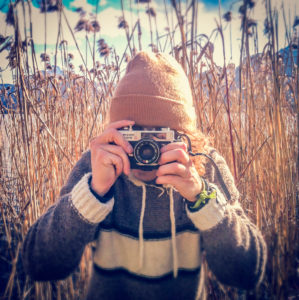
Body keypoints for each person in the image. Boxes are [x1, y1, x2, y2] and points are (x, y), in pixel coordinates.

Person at [22, 51, 267, 300]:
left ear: (184, 137)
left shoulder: (205, 166)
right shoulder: (98, 165)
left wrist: (201, 197)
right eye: (133, 133)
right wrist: (93, 193)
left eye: (159, 136)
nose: (145, 149)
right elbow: (38, 264)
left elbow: (247, 273)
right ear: (115, 131)